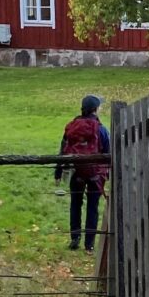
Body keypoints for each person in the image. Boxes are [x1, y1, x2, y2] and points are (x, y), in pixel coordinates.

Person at [54, 95, 110, 252]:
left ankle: (75, 237)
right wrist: (109, 173)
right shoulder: (101, 129)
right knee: (93, 207)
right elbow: (108, 151)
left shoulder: (72, 126)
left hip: (76, 171)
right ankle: (89, 244)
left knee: (75, 204)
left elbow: (63, 149)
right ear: (95, 109)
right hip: (95, 173)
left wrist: (58, 172)